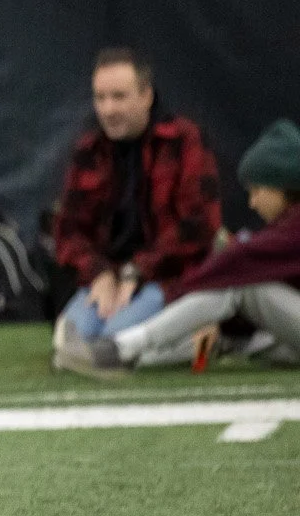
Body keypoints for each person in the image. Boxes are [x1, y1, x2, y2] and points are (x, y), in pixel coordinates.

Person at [58, 119, 300, 378]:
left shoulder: (292, 228)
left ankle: (121, 349)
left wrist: (182, 291)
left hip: (162, 283)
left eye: (257, 190)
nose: (252, 203)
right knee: (228, 336)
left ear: (282, 185)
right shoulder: (286, 226)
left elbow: (240, 260)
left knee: (240, 282)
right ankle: (126, 355)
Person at [50, 47, 222, 362]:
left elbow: (199, 226)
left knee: (113, 344)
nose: (108, 109)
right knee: (69, 345)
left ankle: (200, 339)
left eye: (119, 97)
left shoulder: (185, 141)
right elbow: (69, 231)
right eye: (100, 98)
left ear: (146, 96)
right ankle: (182, 343)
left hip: (169, 278)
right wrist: (100, 273)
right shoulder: (88, 149)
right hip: (108, 281)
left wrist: (137, 271)